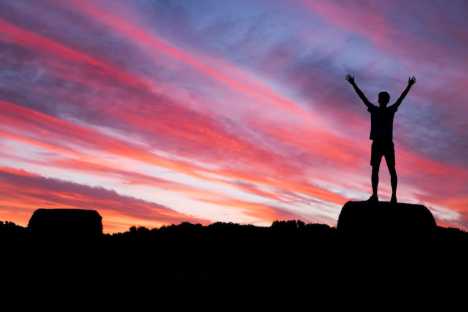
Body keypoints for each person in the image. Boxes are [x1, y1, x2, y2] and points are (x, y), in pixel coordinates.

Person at [346, 74, 416, 203]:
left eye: (382, 98)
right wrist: (409, 86)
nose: (381, 100)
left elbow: (363, 97)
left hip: (384, 143)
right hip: (380, 143)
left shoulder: (382, 110)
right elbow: (363, 97)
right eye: (381, 98)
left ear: (381, 100)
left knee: (386, 169)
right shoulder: (381, 110)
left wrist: (353, 84)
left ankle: (389, 195)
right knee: (381, 170)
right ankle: (378, 195)